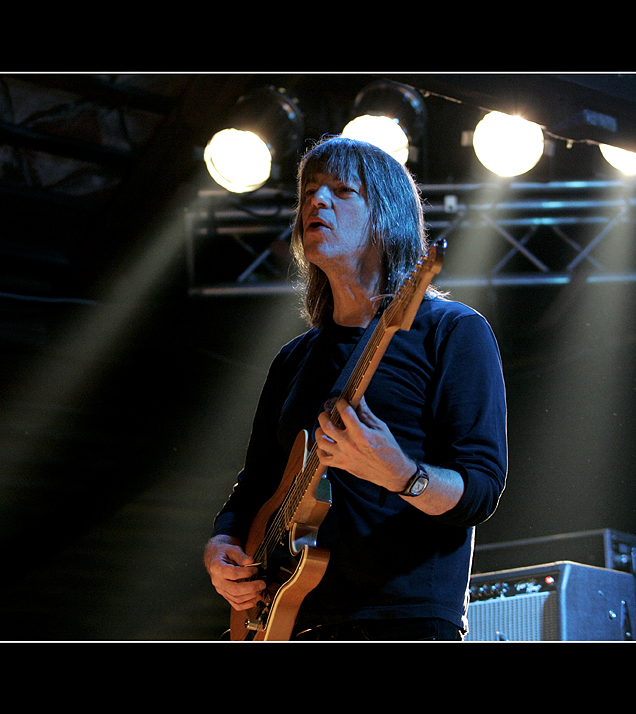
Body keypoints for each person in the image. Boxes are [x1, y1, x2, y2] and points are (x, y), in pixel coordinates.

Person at [203, 136, 508, 641]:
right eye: (309, 191)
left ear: (387, 217)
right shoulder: (293, 358)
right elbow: (254, 484)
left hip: (402, 620)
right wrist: (221, 546)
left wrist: (402, 474)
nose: (315, 202)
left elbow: (479, 493)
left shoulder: (452, 331)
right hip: (288, 620)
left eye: (342, 190)